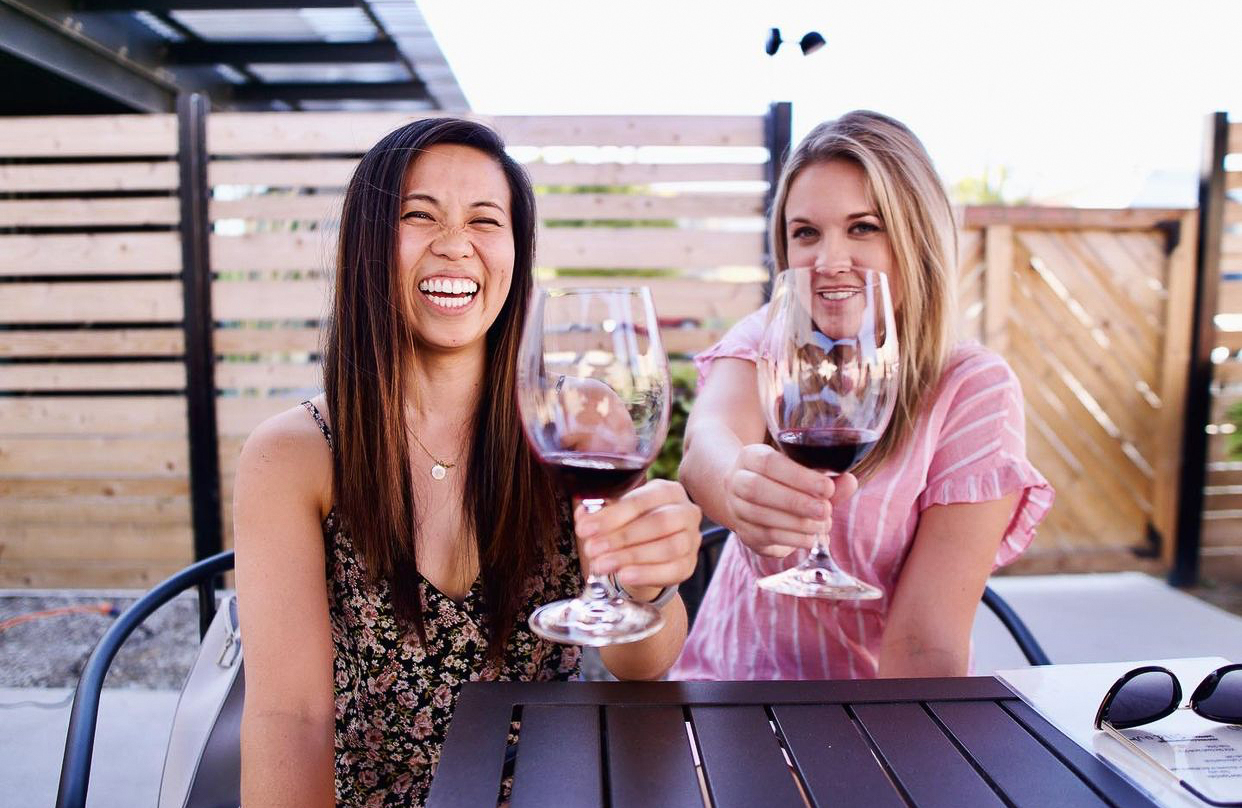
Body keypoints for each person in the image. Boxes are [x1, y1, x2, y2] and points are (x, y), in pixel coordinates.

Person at [233, 118, 701, 808]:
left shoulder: (577, 422)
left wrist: (650, 585)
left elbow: (645, 665)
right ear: (367, 243)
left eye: (486, 220)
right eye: (420, 216)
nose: (456, 246)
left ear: (516, 248)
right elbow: (290, 720)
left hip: (557, 792)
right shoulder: (291, 456)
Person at [671, 110, 1054, 681]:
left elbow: (925, 644)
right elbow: (707, 443)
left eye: (863, 227)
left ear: (915, 238)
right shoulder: (771, 334)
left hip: (867, 723)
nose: (829, 262)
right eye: (806, 232)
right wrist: (738, 488)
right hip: (723, 698)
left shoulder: (972, 389)